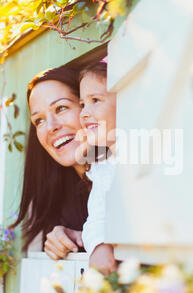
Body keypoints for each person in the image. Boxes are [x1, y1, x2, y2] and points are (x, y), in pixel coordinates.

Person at [10, 67, 90, 260]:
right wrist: (61, 237)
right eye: (39, 120)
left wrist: (86, 238)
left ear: (87, 107)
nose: (52, 127)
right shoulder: (60, 195)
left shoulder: (120, 174)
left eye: (61, 108)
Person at [79, 61, 118, 274]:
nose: (84, 112)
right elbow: (96, 217)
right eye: (82, 103)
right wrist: (98, 245)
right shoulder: (102, 165)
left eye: (95, 100)